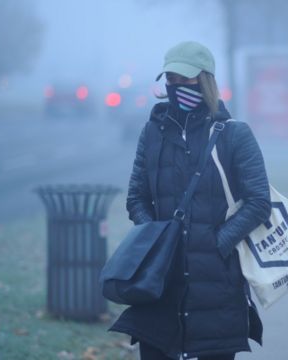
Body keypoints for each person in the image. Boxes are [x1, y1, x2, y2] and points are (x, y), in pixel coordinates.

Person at [109, 41, 272, 360]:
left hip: (216, 287)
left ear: (206, 81)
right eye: (171, 80)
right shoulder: (152, 132)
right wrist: (157, 241)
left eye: (186, 80)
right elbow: (136, 197)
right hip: (160, 285)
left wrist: (217, 243)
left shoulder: (234, 135)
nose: (177, 87)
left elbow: (258, 202)